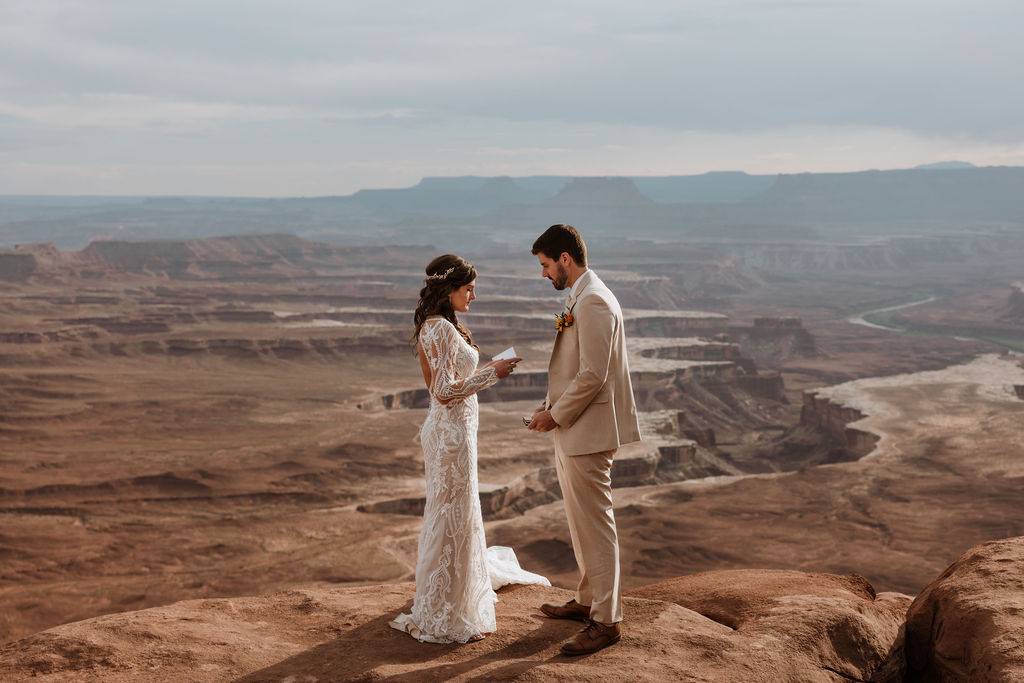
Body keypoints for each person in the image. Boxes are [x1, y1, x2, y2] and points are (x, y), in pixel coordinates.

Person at [390, 254, 538, 644]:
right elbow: (442, 392)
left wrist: (487, 368)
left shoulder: (440, 325)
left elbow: (453, 380)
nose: (473, 295)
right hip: (451, 436)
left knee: (455, 509)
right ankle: (444, 607)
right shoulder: (438, 329)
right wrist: (493, 373)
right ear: (448, 289)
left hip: (456, 433)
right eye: (468, 288)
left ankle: (450, 595)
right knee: (451, 511)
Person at [527, 224, 642, 655]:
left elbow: (593, 373)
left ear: (565, 260)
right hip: (576, 428)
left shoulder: (593, 301)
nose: (544, 275)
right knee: (581, 522)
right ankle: (589, 599)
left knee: (596, 526)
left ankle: (607, 621)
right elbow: (574, 368)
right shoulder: (582, 296)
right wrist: (549, 408)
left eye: (545, 265)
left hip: (586, 431)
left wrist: (554, 416)